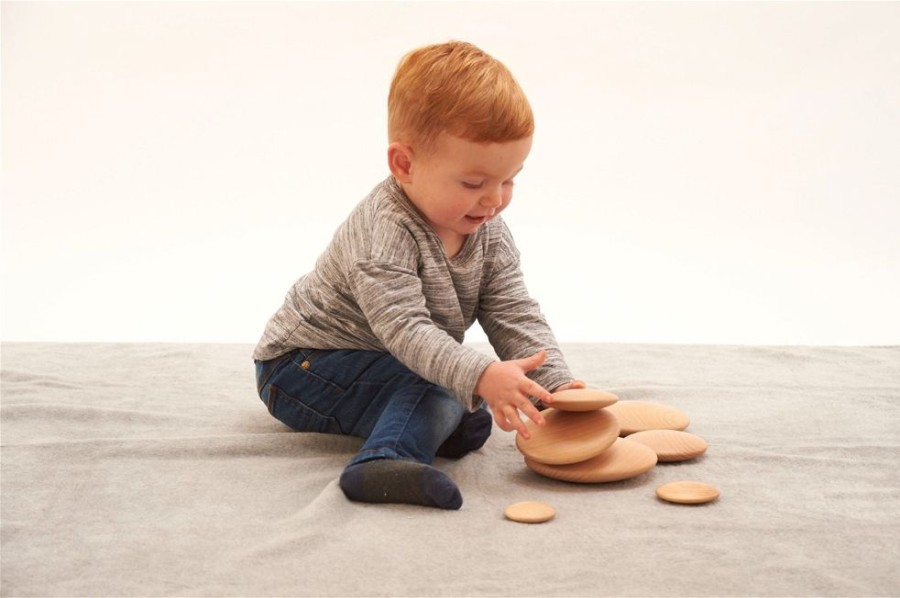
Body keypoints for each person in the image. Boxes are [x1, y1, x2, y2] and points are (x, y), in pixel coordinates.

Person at [253, 40, 584, 510]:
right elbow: (405, 330)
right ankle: (380, 463)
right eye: (473, 183)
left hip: (383, 359)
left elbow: (512, 310)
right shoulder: (383, 230)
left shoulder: (486, 227)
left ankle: (426, 420)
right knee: (445, 385)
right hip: (303, 367)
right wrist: (479, 373)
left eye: (509, 179)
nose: (494, 200)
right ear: (405, 165)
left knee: (470, 414)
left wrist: (555, 384)